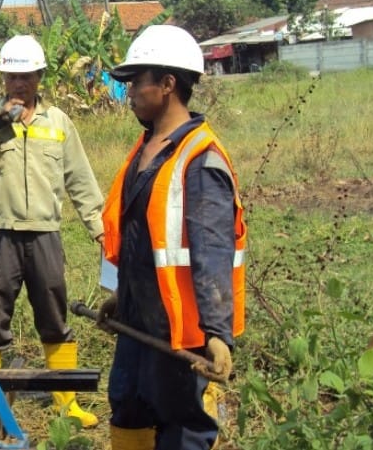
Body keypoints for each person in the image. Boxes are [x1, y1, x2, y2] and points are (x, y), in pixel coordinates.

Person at [96, 25, 247, 450]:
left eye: (136, 83)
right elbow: (142, 237)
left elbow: (212, 250)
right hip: (139, 319)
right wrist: (121, 295)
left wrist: (217, 333)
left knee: (182, 424)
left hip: (180, 328)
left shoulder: (200, 161)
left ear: (167, 84)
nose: (129, 94)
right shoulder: (147, 149)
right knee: (127, 406)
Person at [0, 34, 104, 428]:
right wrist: (0, 121)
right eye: (12, 76)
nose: (19, 84)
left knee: (55, 317)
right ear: (2, 77)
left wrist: (98, 227)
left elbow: (79, 178)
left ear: (40, 76)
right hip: (0, 235)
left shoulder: (58, 123)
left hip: (45, 235)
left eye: (27, 76)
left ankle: (67, 405)